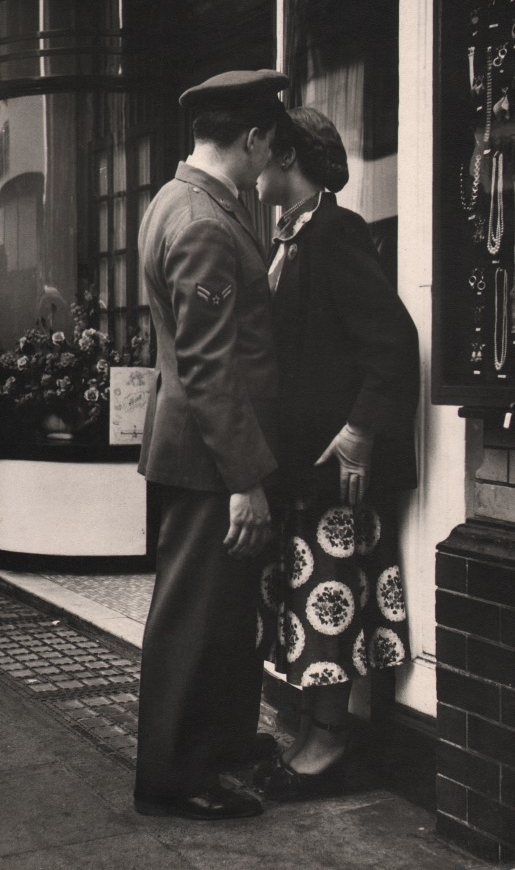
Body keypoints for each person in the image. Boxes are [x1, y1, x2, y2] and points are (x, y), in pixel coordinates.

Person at [134, 69, 289, 820]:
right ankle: (175, 778)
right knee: (194, 620)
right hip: (208, 457)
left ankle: (212, 760)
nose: (269, 160)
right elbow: (208, 363)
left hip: (194, 449)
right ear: (252, 138)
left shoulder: (176, 199)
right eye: (268, 143)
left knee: (216, 619)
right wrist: (245, 478)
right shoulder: (204, 219)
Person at [254, 107, 420, 801]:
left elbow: (392, 342)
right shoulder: (289, 236)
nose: (253, 161)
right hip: (302, 472)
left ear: (288, 157)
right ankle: (310, 736)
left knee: (329, 605)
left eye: (261, 149)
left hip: (338, 475)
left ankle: (328, 745)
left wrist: (358, 432)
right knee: (307, 604)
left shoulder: (335, 232)